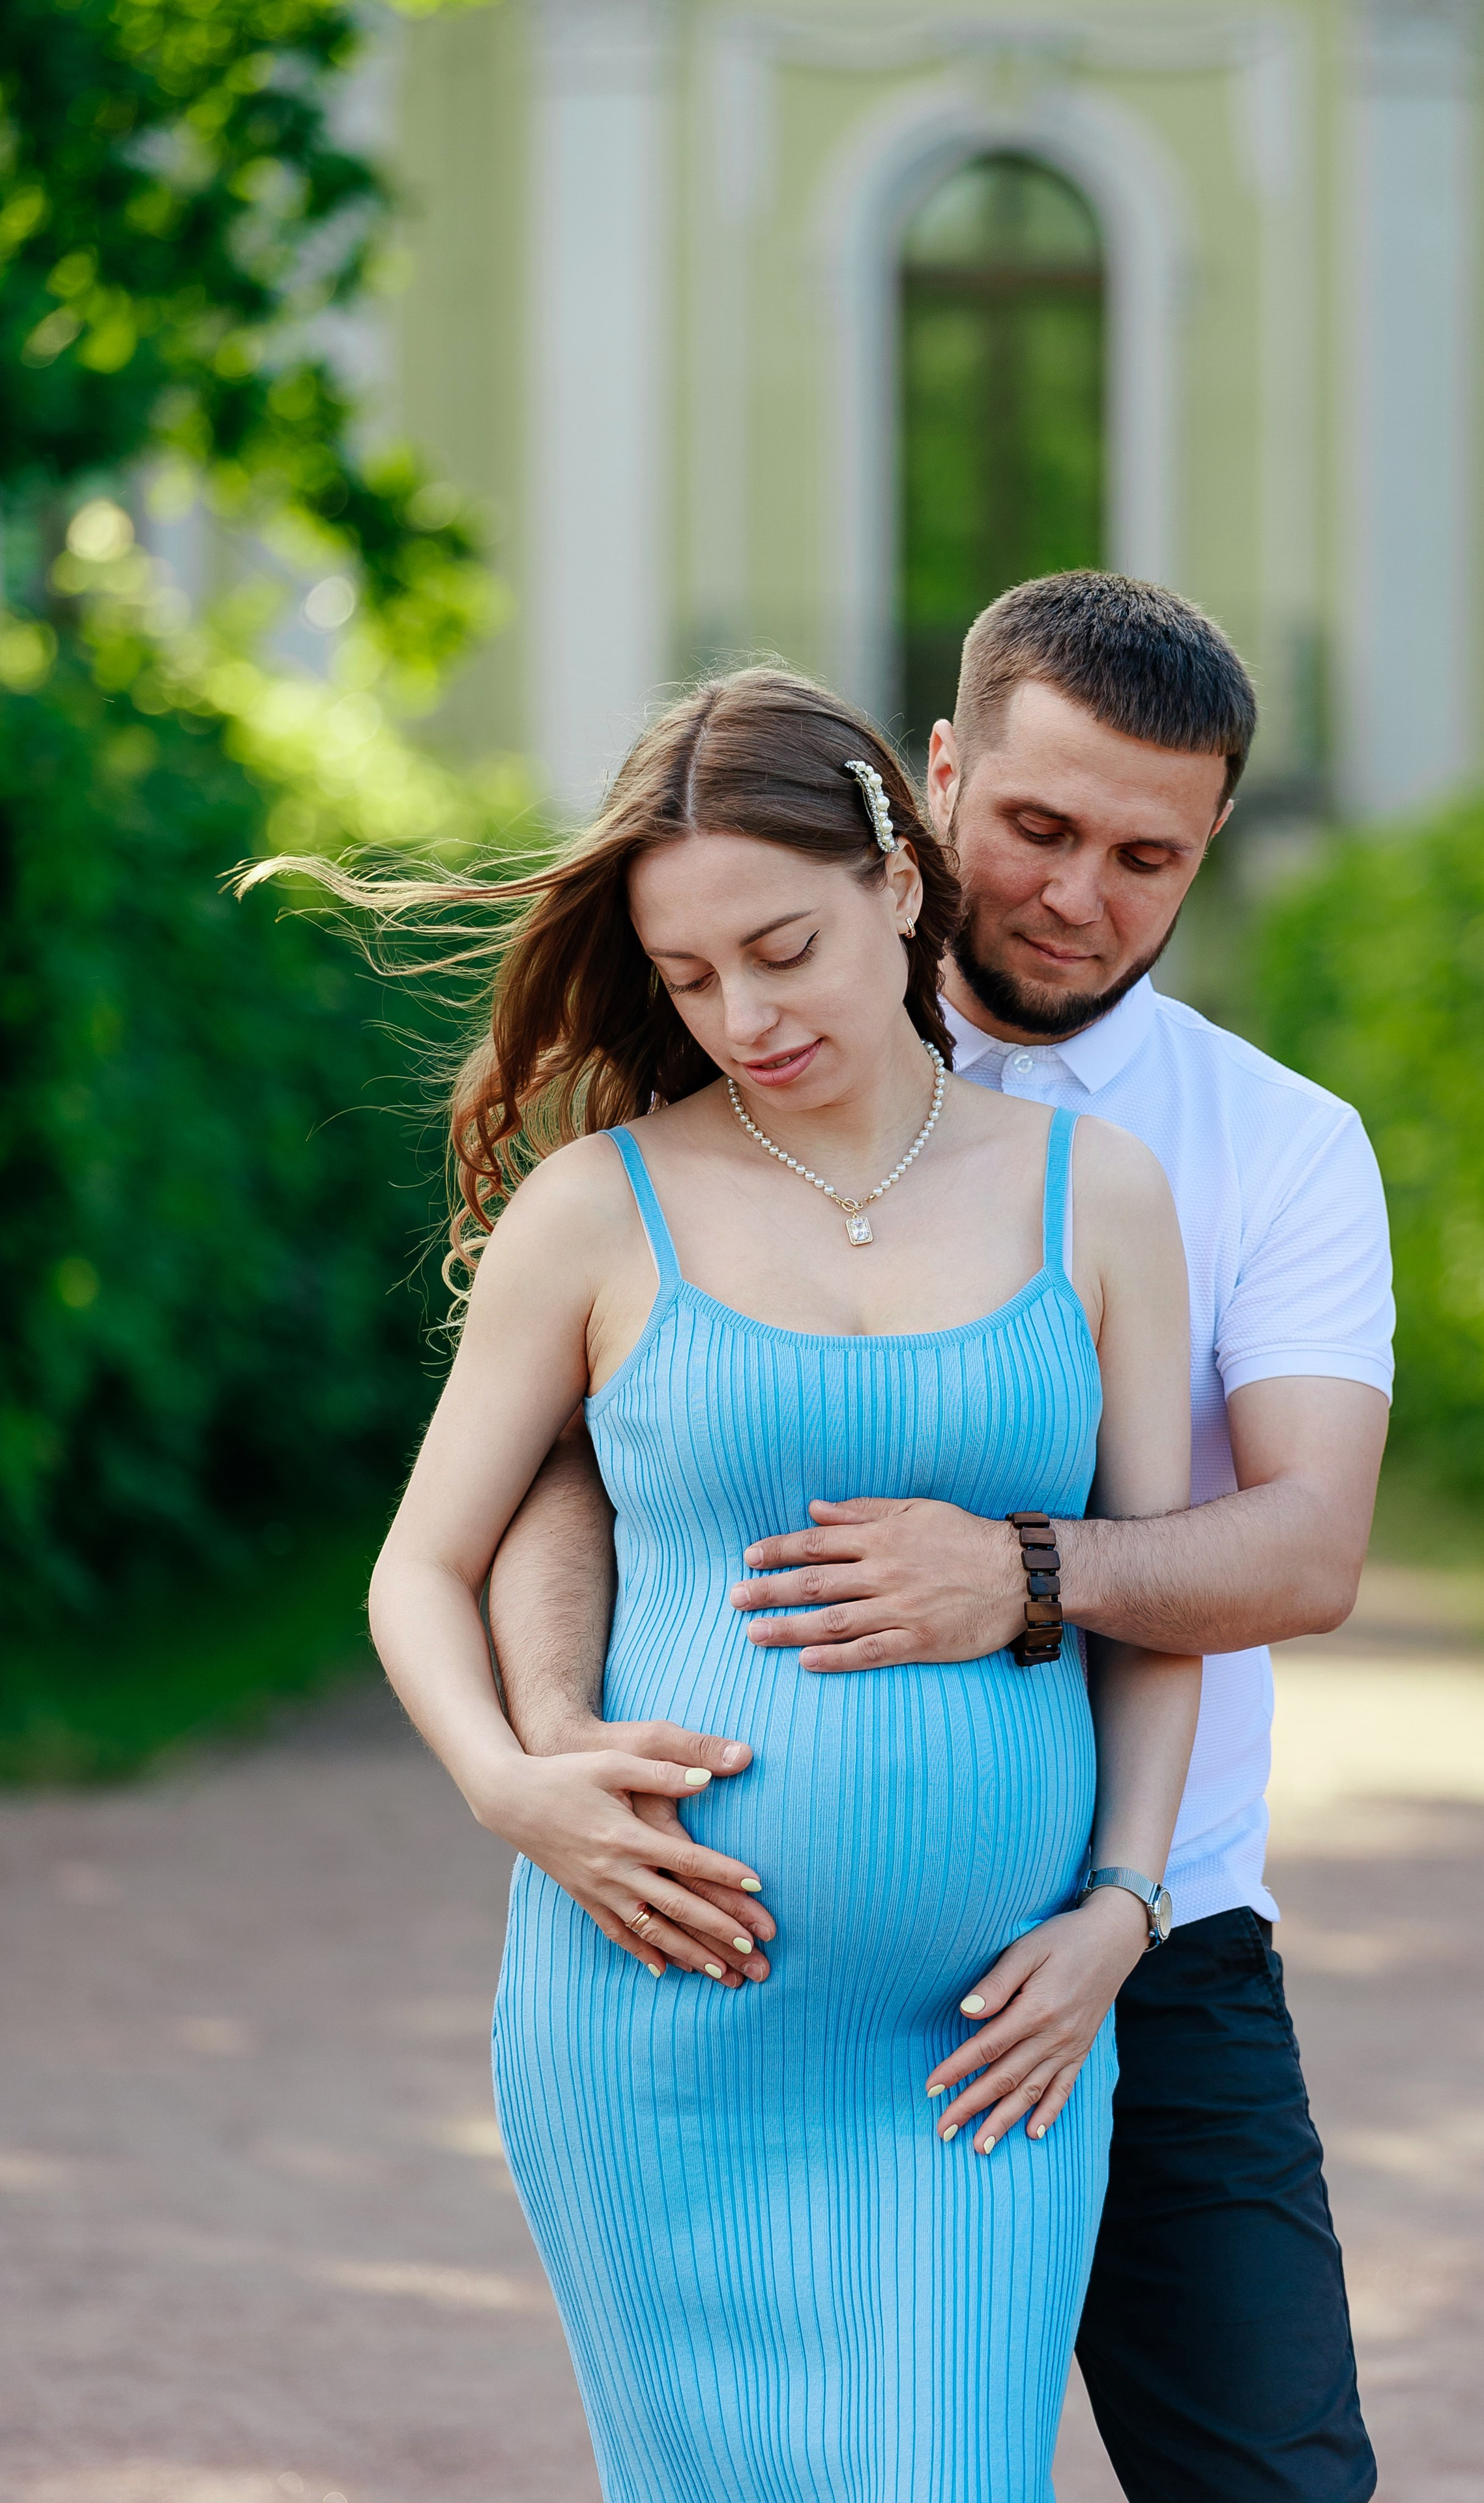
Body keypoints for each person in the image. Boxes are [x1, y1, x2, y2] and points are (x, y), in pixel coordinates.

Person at [489, 578, 1393, 2503]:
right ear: (935, 790)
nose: (1081, 894)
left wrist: (1030, 1575)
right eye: (1041, 830)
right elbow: (572, 1458)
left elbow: (1306, 1551)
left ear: (1209, 846)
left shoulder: (1271, 1148)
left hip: (1143, 1947)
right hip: (730, 1999)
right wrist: (554, 1732)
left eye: (1148, 856)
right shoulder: (745, 1048)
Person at [272, 668, 1202, 2502]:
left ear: (901, 879)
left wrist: (1126, 1909)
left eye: (780, 948)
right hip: (656, 2037)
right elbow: (420, 1569)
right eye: (692, 978)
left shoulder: (1100, 1197)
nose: (745, 1014)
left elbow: (1154, 1596)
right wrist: (514, 1787)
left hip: (987, 2048)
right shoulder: (599, 1211)